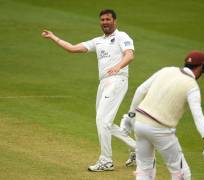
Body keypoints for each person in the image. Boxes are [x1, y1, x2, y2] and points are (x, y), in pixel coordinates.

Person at [41, 9, 136, 172]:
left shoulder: (122, 36)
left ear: (115, 21)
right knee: (104, 122)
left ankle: (106, 161)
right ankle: (138, 148)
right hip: (104, 83)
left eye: (108, 19)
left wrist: (117, 66)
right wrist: (53, 37)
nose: (105, 22)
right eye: (102, 20)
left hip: (117, 80)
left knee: (102, 120)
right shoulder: (98, 41)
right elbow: (72, 48)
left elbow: (129, 55)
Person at [120, 51, 204, 180]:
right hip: (160, 129)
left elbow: (140, 90)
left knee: (144, 170)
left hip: (140, 124)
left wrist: (131, 115)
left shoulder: (167, 70)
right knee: (181, 173)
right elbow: (197, 114)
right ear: (201, 67)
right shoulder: (192, 86)